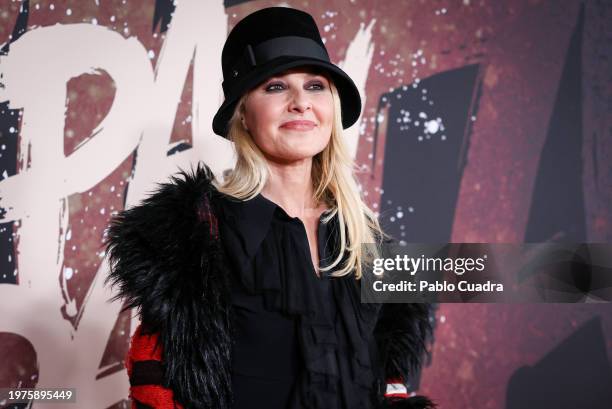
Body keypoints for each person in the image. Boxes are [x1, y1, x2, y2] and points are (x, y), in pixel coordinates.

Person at [104, 6, 435, 409]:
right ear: (242, 113)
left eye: (315, 86)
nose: (300, 103)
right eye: (275, 87)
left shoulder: (371, 247)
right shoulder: (193, 240)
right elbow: (157, 387)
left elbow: (390, 383)